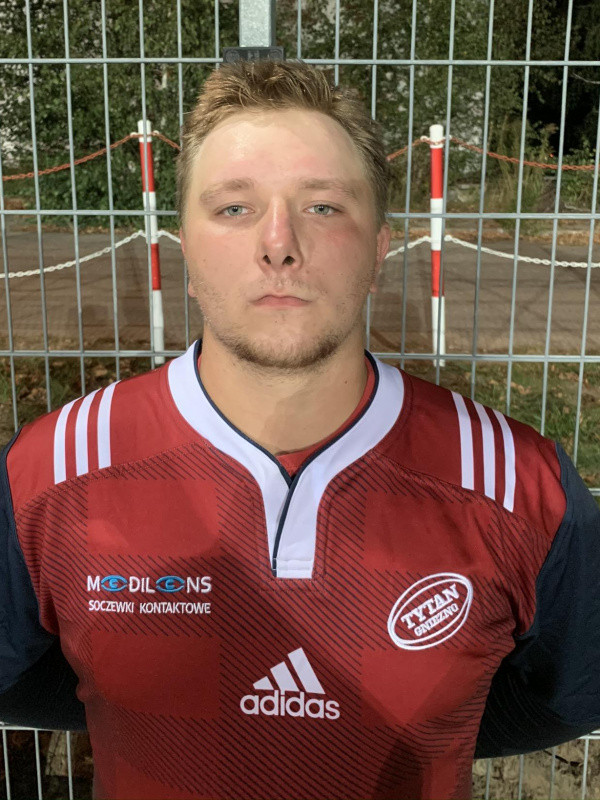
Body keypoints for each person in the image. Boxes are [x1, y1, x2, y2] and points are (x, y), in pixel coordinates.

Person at [1, 57, 599, 800]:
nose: (278, 244)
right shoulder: (51, 471)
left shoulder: (520, 483)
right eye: (234, 208)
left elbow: (572, 695)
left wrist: (426, 723)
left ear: (380, 247)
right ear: (184, 248)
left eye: (323, 206)